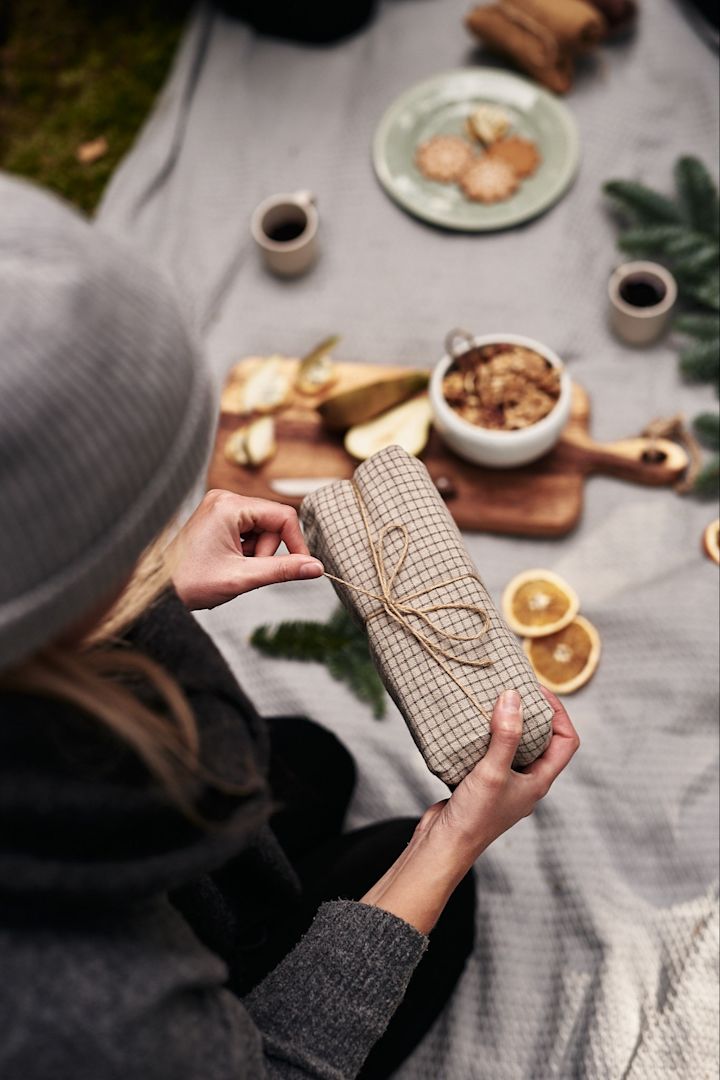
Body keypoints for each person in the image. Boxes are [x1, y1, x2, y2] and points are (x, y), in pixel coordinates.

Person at [0, 173, 579, 1080]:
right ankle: (275, 924)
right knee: (435, 891)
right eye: (130, 545)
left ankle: (255, 902)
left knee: (311, 758)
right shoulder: (80, 1011)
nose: (153, 553)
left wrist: (150, 589)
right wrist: (446, 844)